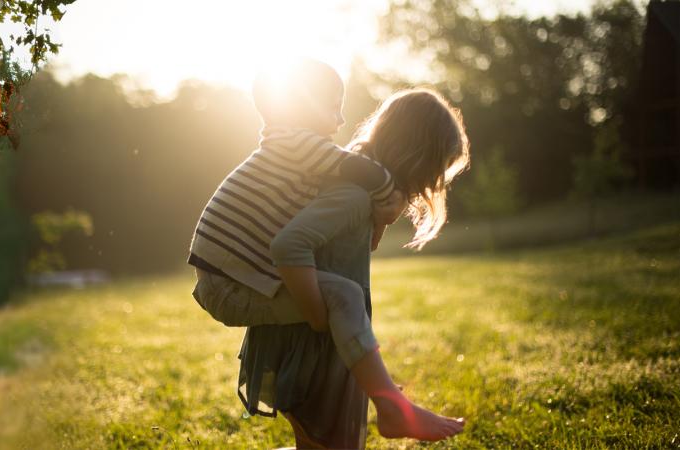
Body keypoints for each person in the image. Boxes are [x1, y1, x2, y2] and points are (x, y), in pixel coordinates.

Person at [188, 60, 470, 441]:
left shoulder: (320, 165)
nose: (340, 120)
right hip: (232, 285)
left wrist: (381, 215)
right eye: (435, 172)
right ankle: (392, 408)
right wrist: (318, 313)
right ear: (418, 159)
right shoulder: (346, 185)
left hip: (233, 280)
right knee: (344, 296)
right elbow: (289, 245)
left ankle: (388, 402)